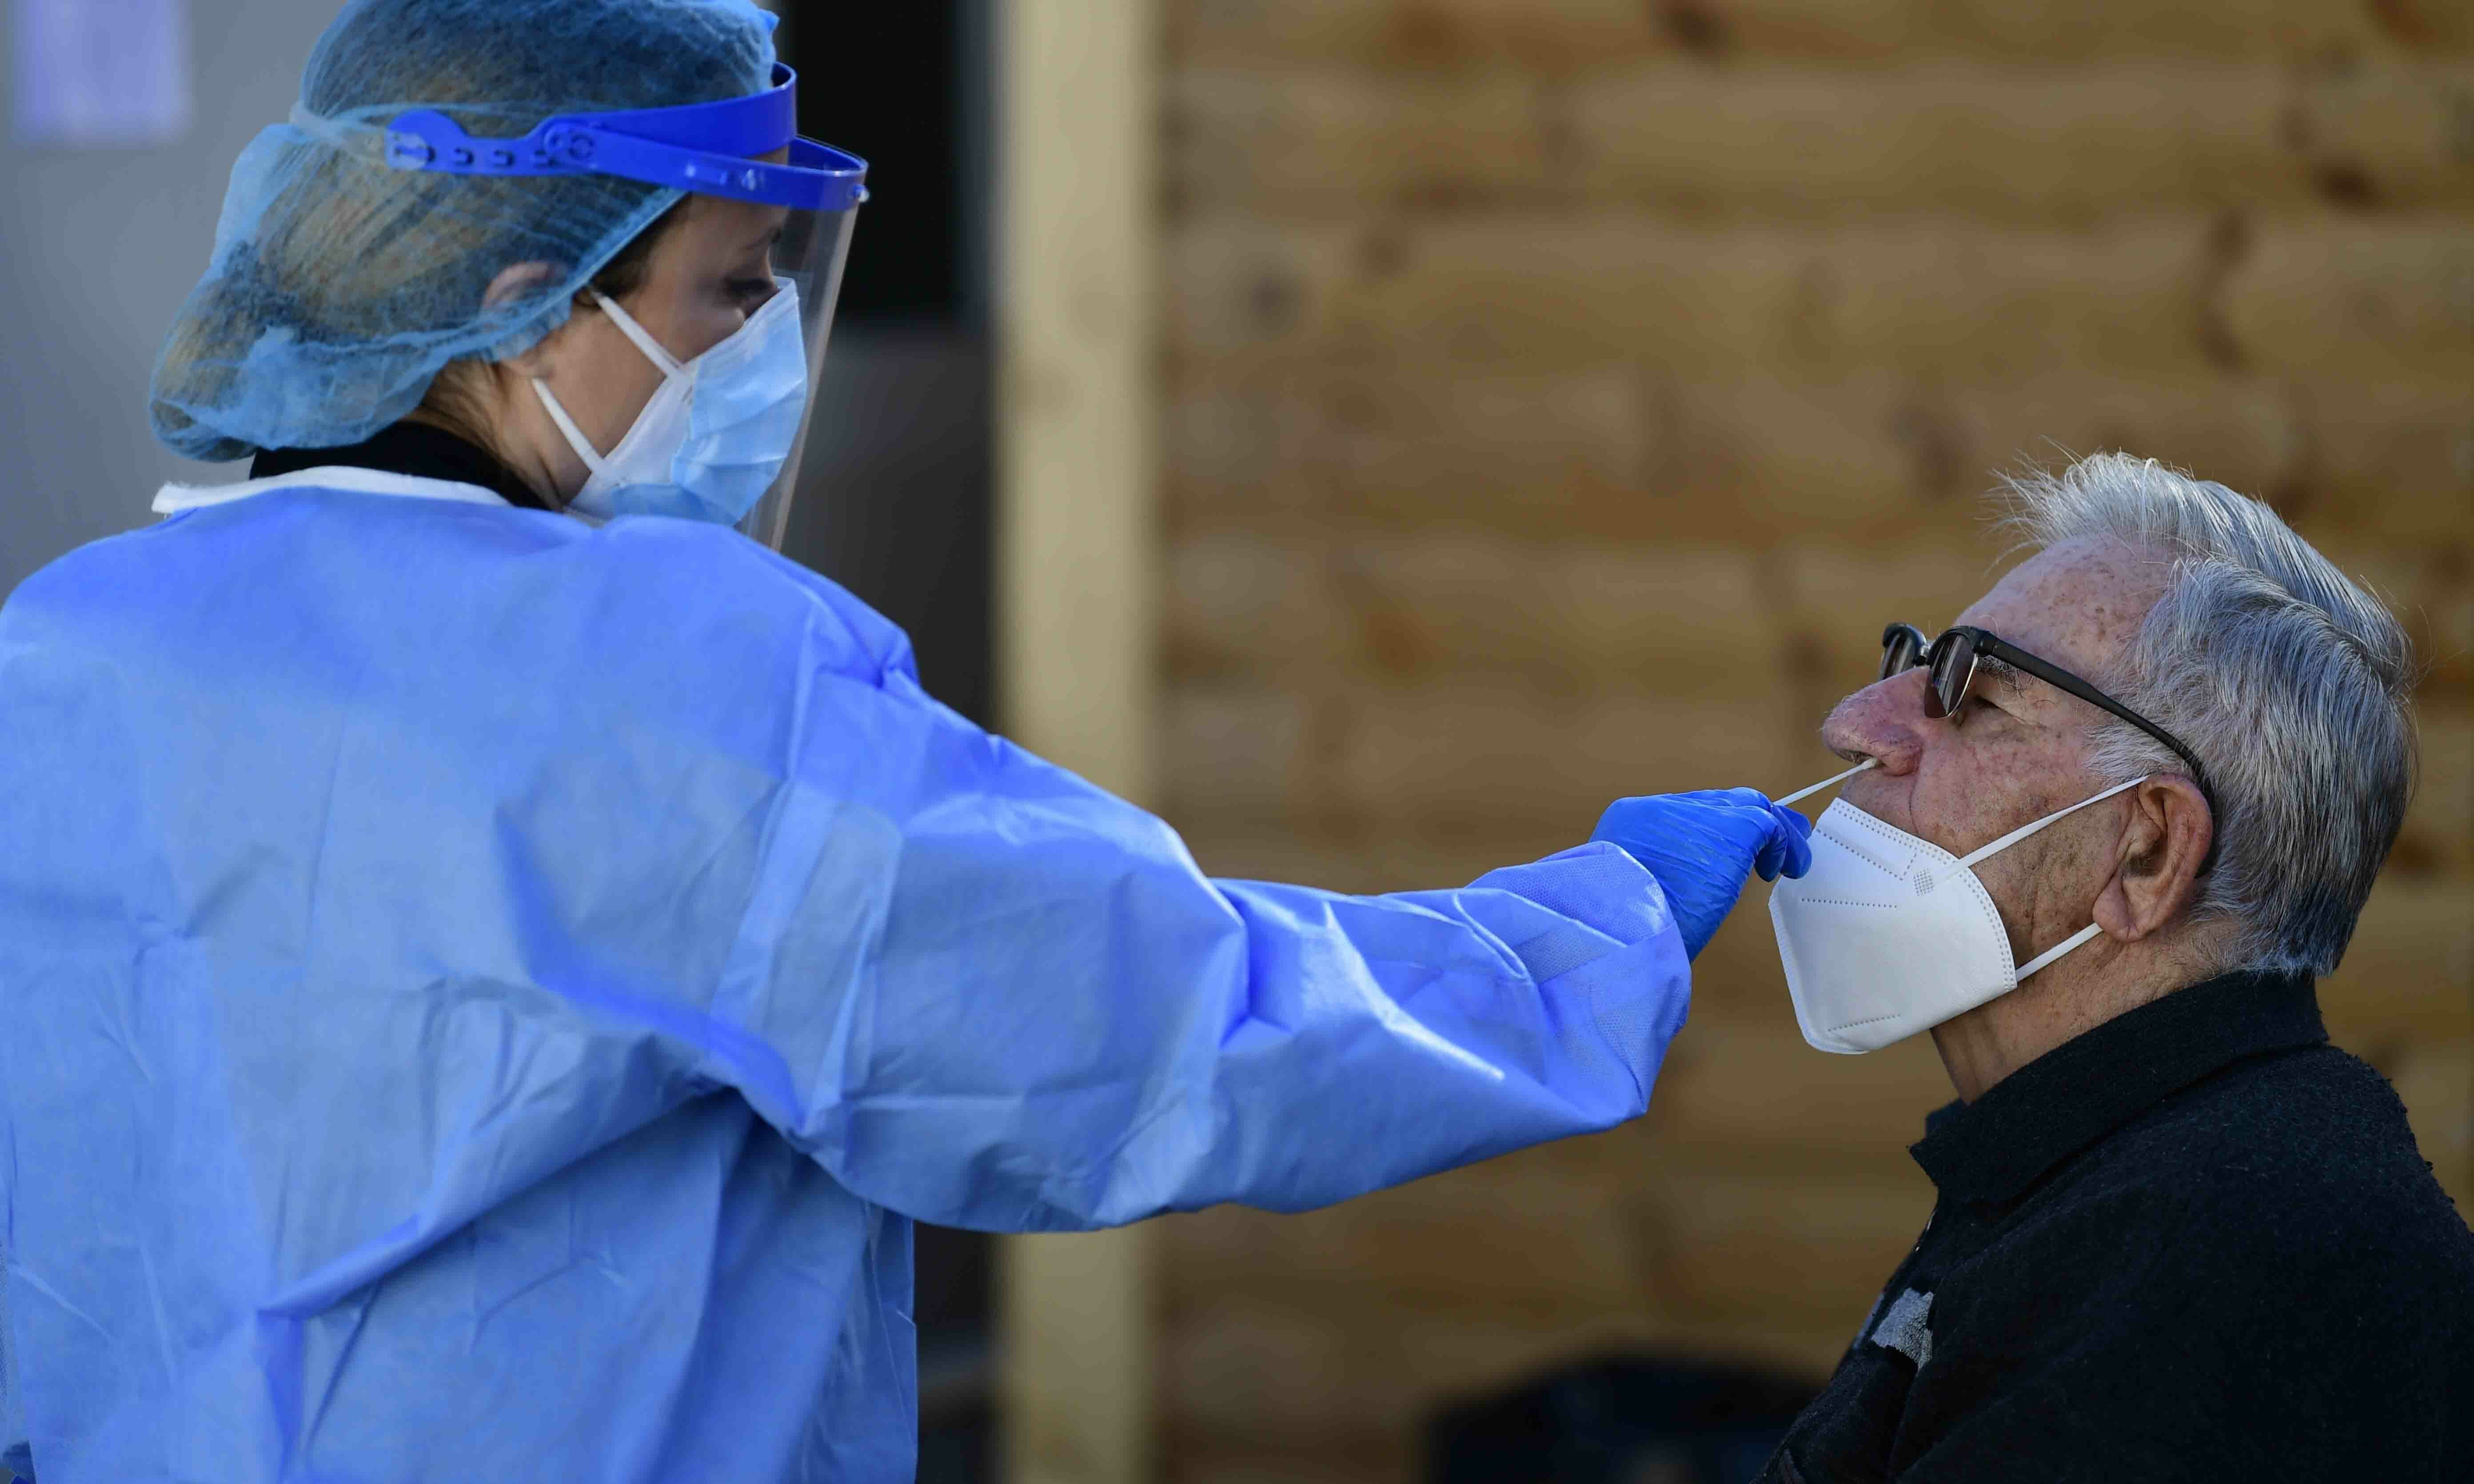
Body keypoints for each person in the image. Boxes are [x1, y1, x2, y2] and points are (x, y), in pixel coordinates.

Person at [0, 3, 1813, 1480]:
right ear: (515, 298)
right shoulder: (677, 662)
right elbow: (1145, 1023)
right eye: (727, 290)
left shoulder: (67, 641)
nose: (761, 349)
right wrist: (1585, 934)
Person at [1757, 453, 2474, 1483]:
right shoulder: (2111, 1172)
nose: (1856, 724)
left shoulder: (2239, 1255)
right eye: (1914, 664)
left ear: (2147, 852)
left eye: (1974, 694)